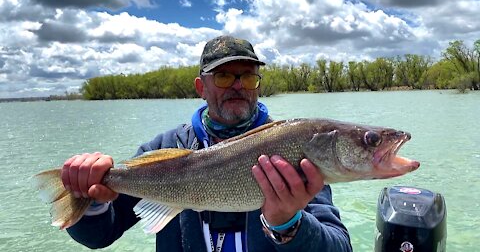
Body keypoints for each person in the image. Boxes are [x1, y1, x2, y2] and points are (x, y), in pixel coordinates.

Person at [62, 35, 353, 252]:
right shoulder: (163, 147)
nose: (238, 85)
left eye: (248, 77)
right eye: (224, 76)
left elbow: (340, 246)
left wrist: (289, 224)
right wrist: (90, 201)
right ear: (201, 87)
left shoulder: (290, 147)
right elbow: (100, 235)